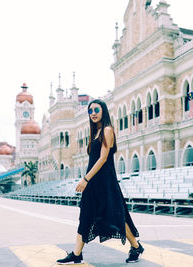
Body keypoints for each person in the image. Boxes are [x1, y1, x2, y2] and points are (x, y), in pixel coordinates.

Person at [57, 99, 144, 265]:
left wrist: (85, 179)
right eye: (90, 111)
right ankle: (76, 254)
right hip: (93, 182)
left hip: (105, 181)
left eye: (96, 109)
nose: (93, 113)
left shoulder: (107, 130)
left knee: (116, 215)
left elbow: (103, 159)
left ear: (103, 110)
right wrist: (88, 180)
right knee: (85, 215)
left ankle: (136, 246)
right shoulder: (95, 132)